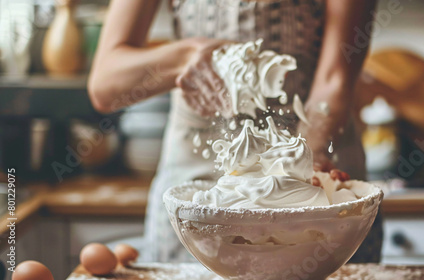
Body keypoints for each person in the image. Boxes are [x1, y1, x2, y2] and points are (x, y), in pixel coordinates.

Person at [88, 0, 382, 263]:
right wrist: (184, 57)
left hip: (321, 183)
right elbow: (106, 84)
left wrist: (308, 166)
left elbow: (336, 77)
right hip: (198, 187)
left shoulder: (314, 173)